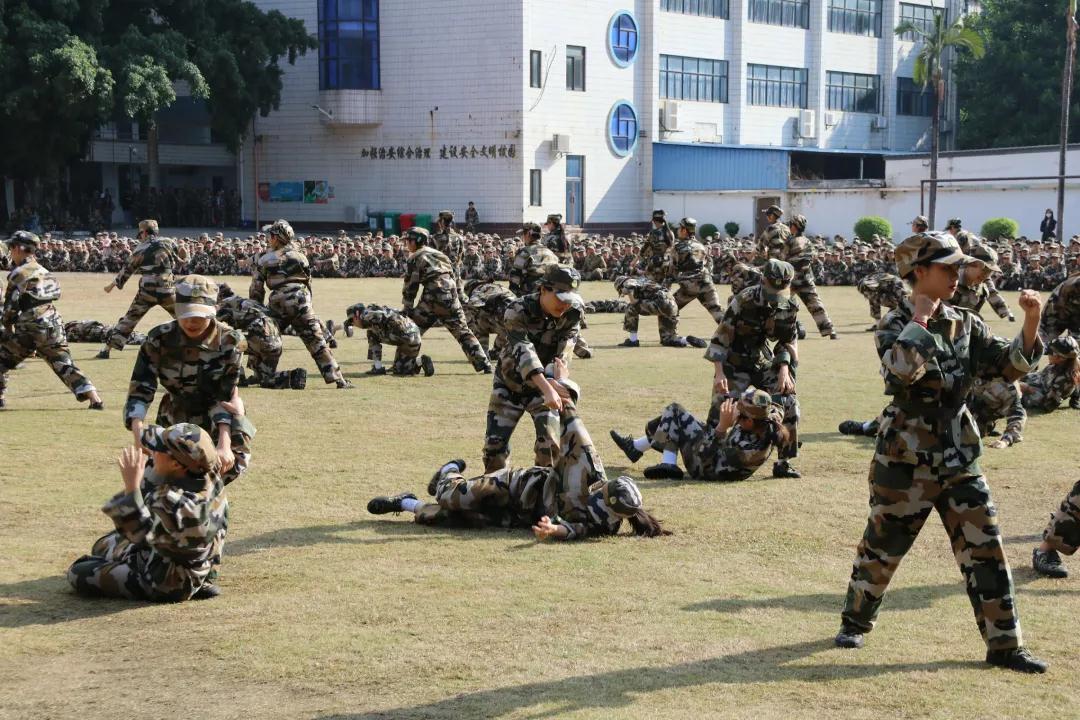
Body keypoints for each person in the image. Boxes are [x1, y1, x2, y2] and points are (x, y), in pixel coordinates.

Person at [834, 231, 1048, 674]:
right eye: (948, 267)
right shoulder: (895, 323)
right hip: (905, 455)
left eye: (958, 267)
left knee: (986, 549)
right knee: (883, 545)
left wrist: (1032, 321)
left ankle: (1005, 646)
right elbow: (898, 375)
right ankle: (855, 622)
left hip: (959, 453)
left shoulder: (966, 322)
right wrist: (921, 320)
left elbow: (1008, 366)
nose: (957, 275)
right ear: (919, 271)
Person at [369, 362, 668, 540]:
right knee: (451, 497)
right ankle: (449, 473)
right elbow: (573, 421)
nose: (598, 510)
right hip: (516, 485)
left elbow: (577, 530)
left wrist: (553, 530)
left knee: (449, 519)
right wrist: (560, 383)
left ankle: (406, 502)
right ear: (602, 489)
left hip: (519, 516)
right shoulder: (587, 465)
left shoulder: (606, 522)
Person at [67, 423, 229, 601]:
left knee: (77, 572)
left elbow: (138, 535)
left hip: (167, 582)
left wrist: (132, 486)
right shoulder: (208, 473)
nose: (153, 452)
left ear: (176, 464)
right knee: (102, 546)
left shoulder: (177, 504)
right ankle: (205, 578)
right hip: (194, 559)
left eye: (159, 450)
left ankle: (183, 584)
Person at [125, 275, 253, 485]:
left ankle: (205, 501)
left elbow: (225, 396)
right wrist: (138, 434)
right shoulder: (158, 338)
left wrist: (224, 444)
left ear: (213, 310)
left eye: (200, 315)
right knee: (158, 478)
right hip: (174, 414)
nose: (192, 322)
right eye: (186, 314)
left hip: (215, 416)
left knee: (227, 468)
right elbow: (141, 388)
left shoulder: (231, 341)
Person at [707, 259, 802, 478]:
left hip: (762, 360)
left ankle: (784, 461)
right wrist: (719, 373)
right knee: (721, 408)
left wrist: (784, 369)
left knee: (789, 400)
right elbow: (720, 338)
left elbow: (786, 341)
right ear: (763, 280)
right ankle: (711, 459)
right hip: (734, 362)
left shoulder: (789, 304)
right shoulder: (744, 300)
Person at [483, 265, 583, 473]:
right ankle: (496, 488)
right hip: (510, 384)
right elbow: (524, 351)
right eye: (560, 298)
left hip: (546, 386)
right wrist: (548, 388)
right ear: (543, 290)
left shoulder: (572, 312)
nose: (565, 304)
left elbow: (566, 348)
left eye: (569, 299)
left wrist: (558, 380)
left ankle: (543, 489)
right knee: (494, 450)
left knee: (550, 446)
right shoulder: (518, 310)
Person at [0, 231, 104, 410]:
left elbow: (10, 307)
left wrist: (8, 328)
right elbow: (56, 294)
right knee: (63, 362)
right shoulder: (44, 270)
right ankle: (94, 398)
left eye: (11, 248)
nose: (10, 252)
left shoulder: (18, 273)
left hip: (30, 325)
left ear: (18, 249)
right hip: (52, 320)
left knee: (3, 359)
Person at [250, 219, 352, 388]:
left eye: (271, 236)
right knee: (316, 341)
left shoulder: (265, 259)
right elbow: (308, 283)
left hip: (278, 303)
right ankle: (339, 379)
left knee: (264, 334)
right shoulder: (301, 257)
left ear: (276, 238)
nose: (269, 239)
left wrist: (257, 310)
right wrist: (308, 305)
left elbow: (256, 289)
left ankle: (258, 374)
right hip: (301, 300)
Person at [610, 387, 786, 482]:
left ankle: (667, 464)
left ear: (749, 422)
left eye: (738, 412)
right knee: (673, 418)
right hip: (715, 451)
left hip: (705, 468)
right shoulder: (768, 418)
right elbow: (781, 404)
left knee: (674, 412)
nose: (734, 410)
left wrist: (722, 428)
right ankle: (636, 448)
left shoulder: (748, 451)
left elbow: (705, 456)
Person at [401, 226, 491, 373]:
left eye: (408, 241)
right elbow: (455, 277)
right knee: (463, 332)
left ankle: (403, 364)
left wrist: (407, 308)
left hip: (432, 298)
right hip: (451, 297)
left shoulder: (416, 257)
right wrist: (460, 298)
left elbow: (411, 285)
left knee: (411, 329)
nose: (406, 244)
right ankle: (484, 364)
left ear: (415, 241)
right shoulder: (441, 255)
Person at [97, 219, 186, 358]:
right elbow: (181, 260)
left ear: (144, 232)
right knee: (184, 318)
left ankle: (106, 350)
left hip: (147, 291)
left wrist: (112, 285)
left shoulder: (140, 249)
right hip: (167, 289)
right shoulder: (168, 242)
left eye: (140, 234)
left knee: (129, 320)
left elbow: (127, 270)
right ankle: (201, 344)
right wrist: (184, 254)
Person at [215, 283, 307, 390]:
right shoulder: (251, 303)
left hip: (261, 338)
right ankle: (293, 377)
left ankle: (238, 376)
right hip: (275, 343)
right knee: (266, 380)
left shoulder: (224, 304)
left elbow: (211, 326)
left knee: (223, 343)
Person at [771, 214, 836, 339]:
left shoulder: (790, 241)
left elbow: (782, 259)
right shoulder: (808, 242)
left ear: (795, 226)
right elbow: (811, 258)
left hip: (790, 281)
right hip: (806, 279)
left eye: (790, 224)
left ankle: (782, 330)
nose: (789, 226)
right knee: (816, 305)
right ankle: (830, 331)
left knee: (780, 305)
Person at [614, 275, 704, 348]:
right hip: (672, 305)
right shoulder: (642, 280)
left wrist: (628, 292)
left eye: (620, 290)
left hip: (662, 303)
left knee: (631, 307)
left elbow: (633, 298)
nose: (622, 294)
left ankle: (633, 340)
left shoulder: (628, 282)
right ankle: (686, 340)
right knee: (668, 339)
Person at [346, 302, 434, 377]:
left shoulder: (366, 315)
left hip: (404, 336)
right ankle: (420, 361)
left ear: (356, 315)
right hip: (414, 336)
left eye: (352, 321)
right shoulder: (370, 312)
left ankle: (378, 367)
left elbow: (381, 315)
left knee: (371, 334)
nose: (354, 324)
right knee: (400, 370)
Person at [669, 218, 726, 325]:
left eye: (679, 228)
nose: (678, 230)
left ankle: (670, 334)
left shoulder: (678, 247)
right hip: (706, 282)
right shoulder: (700, 245)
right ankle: (735, 334)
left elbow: (671, 270)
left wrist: (665, 287)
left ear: (684, 230)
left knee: (668, 309)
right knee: (718, 312)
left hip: (689, 285)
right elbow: (707, 263)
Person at [951, 245, 1014, 322]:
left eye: (989, 271)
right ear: (971, 264)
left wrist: (1006, 312)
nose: (985, 274)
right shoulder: (950, 279)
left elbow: (993, 294)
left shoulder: (983, 288)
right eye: (984, 269)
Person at [1020, 335, 1080, 412]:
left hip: (1038, 396)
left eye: (1051, 352)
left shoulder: (1064, 380)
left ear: (1061, 357)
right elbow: (1040, 376)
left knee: (1011, 392)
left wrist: (1027, 389)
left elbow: (1048, 404)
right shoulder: (1060, 364)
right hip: (1037, 384)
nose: (1048, 354)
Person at [639, 210, 674, 285]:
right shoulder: (670, 232)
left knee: (651, 286)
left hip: (654, 264)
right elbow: (671, 247)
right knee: (664, 287)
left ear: (655, 221)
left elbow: (644, 249)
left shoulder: (653, 233)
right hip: (667, 265)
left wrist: (636, 261)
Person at [63, 320, 146, 346]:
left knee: (123, 335)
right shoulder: (71, 326)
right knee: (125, 335)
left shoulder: (69, 331)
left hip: (103, 332)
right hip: (104, 331)